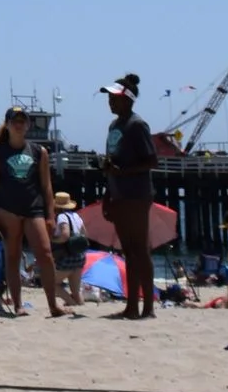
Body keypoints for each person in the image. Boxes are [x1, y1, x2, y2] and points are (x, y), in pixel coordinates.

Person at [0, 107, 65, 317]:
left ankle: (53, 305)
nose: (19, 124)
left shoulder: (40, 152)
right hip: (8, 210)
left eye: (23, 121)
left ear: (28, 125)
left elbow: (47, 187)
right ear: (8, 124)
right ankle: (18, 305)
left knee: (46, 254)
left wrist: (50, 216)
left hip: (34, 209)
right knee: (13, 256)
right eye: (15, 121)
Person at [102, 74, 159, 320]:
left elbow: (151, 160)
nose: (110, 102)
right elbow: (114, 162)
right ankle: (131, 306)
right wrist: (108, 193)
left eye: (115, 97)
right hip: (119, 194)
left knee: (139, 250)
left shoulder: (137, 125)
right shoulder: (114, 126)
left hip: (136, 194)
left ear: (128, 99)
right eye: (109, 98)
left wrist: (122, 172)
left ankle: (147, 307)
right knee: (128, 251)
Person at [51, 190, 88, 309]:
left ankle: (72, 304)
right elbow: (84, 234)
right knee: (76, 290)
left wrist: (52, 239)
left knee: (52, 284)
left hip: (67, 257)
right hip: (80, 256)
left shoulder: (62, 217)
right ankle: (80, 305)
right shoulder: (77, 216)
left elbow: (65, 235)